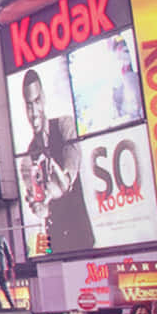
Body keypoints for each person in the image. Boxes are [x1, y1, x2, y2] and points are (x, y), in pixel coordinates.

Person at [19, 69, 94, 254]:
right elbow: (40, 209)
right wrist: (40, 209)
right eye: (29, 105)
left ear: (44, 98)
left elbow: (69, 172)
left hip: (82, 240)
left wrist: (57, 181)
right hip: (54, 246)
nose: (34, 112)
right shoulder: (27, 158)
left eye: (37, 101)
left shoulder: (64, 125)